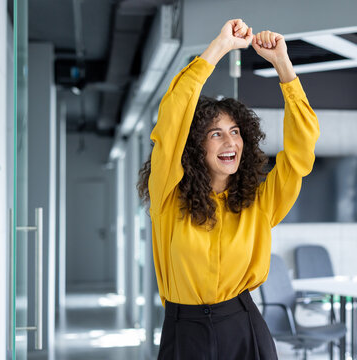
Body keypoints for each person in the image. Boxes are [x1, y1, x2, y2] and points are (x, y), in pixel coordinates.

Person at [136, 19, 320, 359]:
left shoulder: (260, 203)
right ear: (194, 146)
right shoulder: (167, 195)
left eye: (235, 131)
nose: (229, 140)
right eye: (215, 133)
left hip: (244, 328)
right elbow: (173, 118)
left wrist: (283, 65)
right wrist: (218, 47)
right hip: (184, 331)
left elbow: (299, 155)